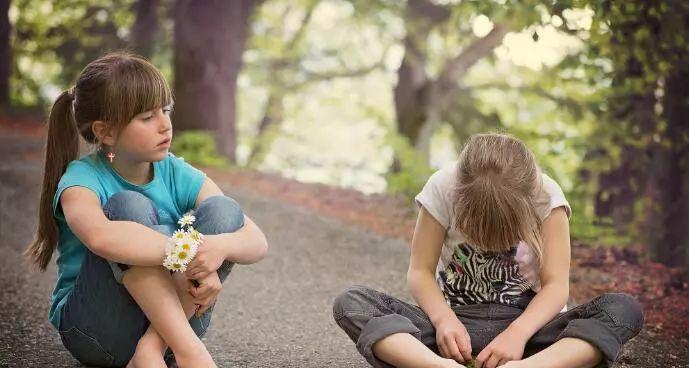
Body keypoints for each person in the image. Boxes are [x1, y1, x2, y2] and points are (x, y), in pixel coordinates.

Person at [25, 52, 268, 368]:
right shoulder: (81, 180)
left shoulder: (174, 171)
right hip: (98, 331)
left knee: (222, 210)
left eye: (165, 110)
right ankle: (190, 353)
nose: (165, 125)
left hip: (170, 332)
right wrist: (181, 254)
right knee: (129, 206)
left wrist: (215, 249)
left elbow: (255, 240)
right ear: (106, 132)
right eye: (146, 117)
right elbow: (101, 238)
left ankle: (152, 349)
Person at [333, 133, 643, 368]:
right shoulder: (443, 187)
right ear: (460, 194)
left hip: (531, 333)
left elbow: (556, 285)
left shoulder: (546, 195)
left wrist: (518, 334)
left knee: (623, 309)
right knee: (352, 302)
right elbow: (420, 271)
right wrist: (443, 320)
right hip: (454, 329)